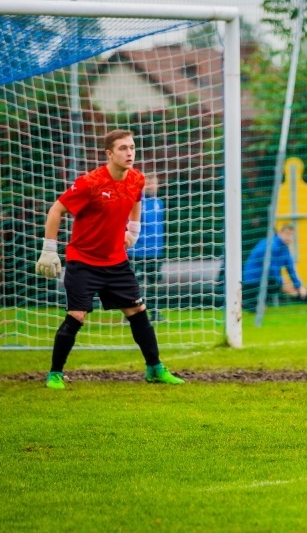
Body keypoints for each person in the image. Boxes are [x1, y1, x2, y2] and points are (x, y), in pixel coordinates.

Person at [36, 129, 184, 389]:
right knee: (77, 315)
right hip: (83, 262)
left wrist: (134, 230)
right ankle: (55, 373)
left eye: (132, 147)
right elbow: (56, 209)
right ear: (109, 153)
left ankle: (155, 368)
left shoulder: (137, 179)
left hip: (116, 261)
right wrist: (49, 249)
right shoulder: (90, 182)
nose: (129, 153)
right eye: (123, 148)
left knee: (138, 311)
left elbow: (136, 198)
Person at [243, 224, 307, 311]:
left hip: (266, 281)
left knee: (293, 288)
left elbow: (291, 270)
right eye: (286, 234)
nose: (288, 237)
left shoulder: (285, 249)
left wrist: (299, 286)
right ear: (279, 233)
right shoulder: (271, 245)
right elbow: (271, 269)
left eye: (291, 235)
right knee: (249, 304)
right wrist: (282, 281)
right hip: (253, 281)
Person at [128, 174, 165, 323]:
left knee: (154, 283)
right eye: (148, 182)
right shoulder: (136, 201)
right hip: (136, 250)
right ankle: (132, 313)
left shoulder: (159, 202)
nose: (151, 185)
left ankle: (155, 312)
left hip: (154, 250)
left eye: (154, 182)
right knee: (134, 282)